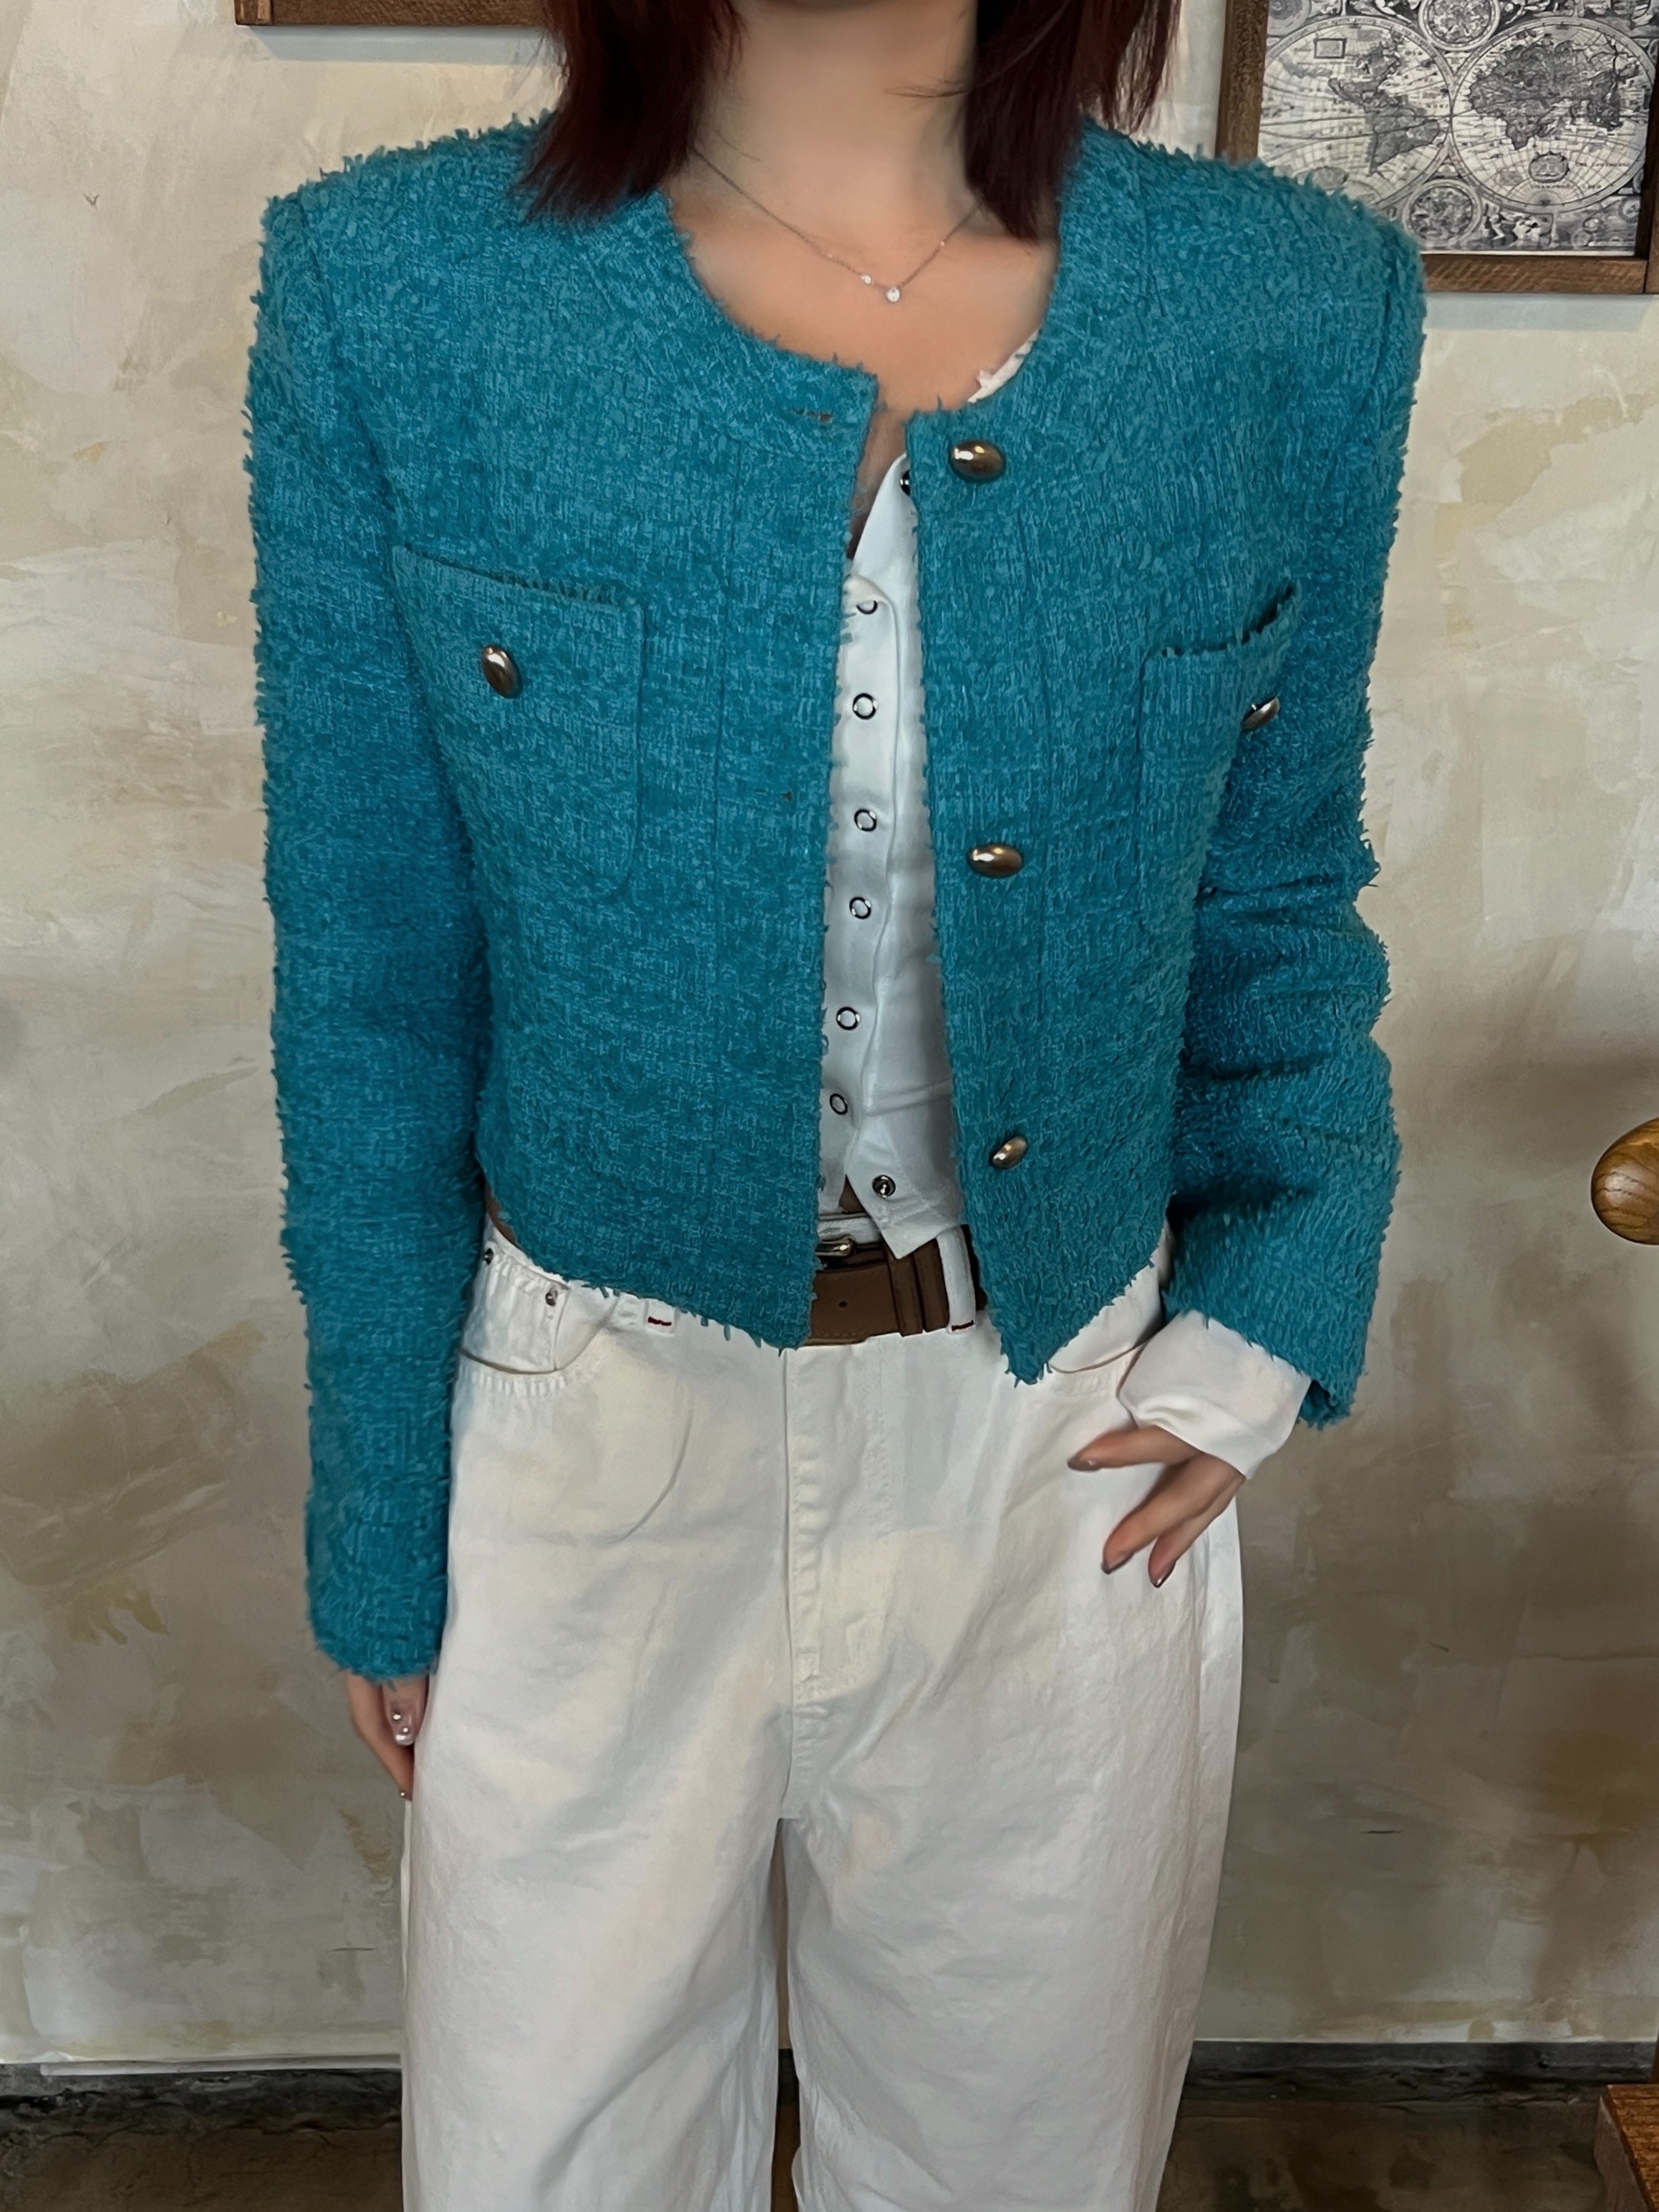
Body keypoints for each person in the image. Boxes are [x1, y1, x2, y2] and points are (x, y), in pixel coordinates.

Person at [244, 0, 1424, 2194]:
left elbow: (1278, 880)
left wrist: (1272, 1298)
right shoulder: (396, 289)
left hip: (1054, 1440)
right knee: (543, 2165)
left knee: (1017, 2167)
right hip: (587, 1438)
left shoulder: (1285, 308)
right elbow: (378, 972)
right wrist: (381, 1520)